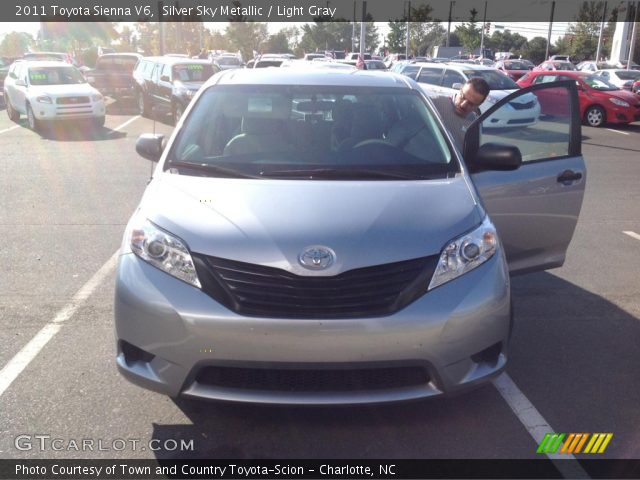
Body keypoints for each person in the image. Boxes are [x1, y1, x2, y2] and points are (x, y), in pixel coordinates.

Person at [429, 77, 490, 151]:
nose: (463, 105)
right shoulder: (434, 104)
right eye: (462, 97)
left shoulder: (474, 124)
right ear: (460, 90)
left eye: (471, 104)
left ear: (479, 105)